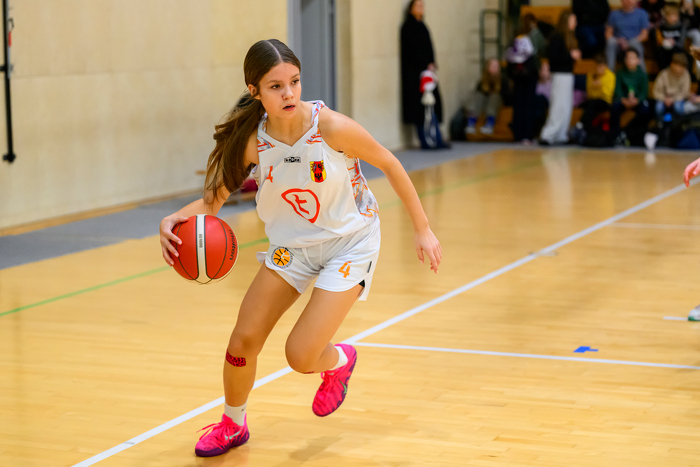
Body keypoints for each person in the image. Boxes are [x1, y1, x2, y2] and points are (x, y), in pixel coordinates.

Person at [159, 39, 442, 457]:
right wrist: (175, 219)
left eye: (294, 82)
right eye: (276, 86)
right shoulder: (253, 142)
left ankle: (340, 361)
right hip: (291, 248)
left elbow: (389, 162)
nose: (289, 93)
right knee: (242, 342)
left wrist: (423, 228)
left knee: (300, 355)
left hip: (349, 244)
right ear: (254, 91)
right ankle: (233, 425)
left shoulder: (331, 127)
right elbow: (212, 203)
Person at [400, 0, 447, 149]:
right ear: (411, 9)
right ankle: (426, 141)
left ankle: (437, 138)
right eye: (418, 5)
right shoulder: (408, 27)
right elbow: (411, 51)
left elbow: (429, 48)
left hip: (427, 74)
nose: (421, 8)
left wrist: (432, 63)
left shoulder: (423, 26)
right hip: (416, 76)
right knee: (421, 109)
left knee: (432, 105)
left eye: (422, 5)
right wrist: (425, 64)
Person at [540, 10, 581, 145]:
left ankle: (561, 135)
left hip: (567, 74)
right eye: (573, 20)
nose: (575, 23)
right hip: (559, 75)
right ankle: (547, 134)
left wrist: (573, 57)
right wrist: (570, 56)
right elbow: (553, 58)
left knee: (566, 106)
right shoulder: (557, 36)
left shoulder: (569, 37)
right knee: (558, 105)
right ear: (566, 21)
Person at [611, 48, 651, 142]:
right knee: (614, 107)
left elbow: (644, 93)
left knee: (645, 110)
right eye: (628, 58)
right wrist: (623, 100)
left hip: (636, 101)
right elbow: (617, 90)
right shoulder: (620, 72)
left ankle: (631, 133)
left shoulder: (642, 74)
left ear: (638, 60)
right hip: (623, 100)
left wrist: (637, 100)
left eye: (632, 58)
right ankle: (615, 135)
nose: (630, 60)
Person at [506, 34, 539, 144]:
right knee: (518, 109)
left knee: (529, 109)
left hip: (529, 87)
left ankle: (527, 135)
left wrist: (524, 73)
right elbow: (510, 71)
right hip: (518, 87)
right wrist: (518, 73)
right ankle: (518, 135)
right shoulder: (512, 54)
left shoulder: (531, 56)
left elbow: (533, 71)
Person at [606, 0, 650, 71]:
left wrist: (630, 42)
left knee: (636, 44)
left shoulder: (642, 13)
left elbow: (644, 35)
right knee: (610, 42)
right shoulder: (614, 14)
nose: (629, 1)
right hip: (618, 46)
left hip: (633, 45)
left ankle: (642, 73)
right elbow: (608, 33)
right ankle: (610, 71)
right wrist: (618, 41)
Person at [466, 58, 506, 136]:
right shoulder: (483, 80)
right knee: (478, 95)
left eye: (497, 66)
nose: (495, 68)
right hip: (483, 103)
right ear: (488, 67)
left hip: (496, 103)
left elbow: (507, 95)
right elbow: (479, 92)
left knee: (494, 96)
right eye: (493, 66)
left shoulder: (503, 80)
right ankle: (471, 123)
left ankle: (489, 124)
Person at [580, 54, 616, 130]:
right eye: (597, 66)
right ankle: (585, 128)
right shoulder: (591, 74)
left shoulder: (610, 76)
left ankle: (581, 126)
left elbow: (607, 95)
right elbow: (589, 93)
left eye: (601, 66)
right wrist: (595, 88)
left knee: (592, 105)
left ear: (605, 66)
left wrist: (600, 86)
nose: (599, 69)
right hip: (592, 100)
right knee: (588, 104)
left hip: (605, 102)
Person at [653, 52, 691, 123]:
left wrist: (673, 99)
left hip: (678, 99)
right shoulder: (664, 73)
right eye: (678, 65)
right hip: (664, 98)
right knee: (658, 107)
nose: (679, 68)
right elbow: (656, 91)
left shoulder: (686, 75)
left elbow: (685, 92)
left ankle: (678, 124)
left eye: (682, 66)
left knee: (678, 107)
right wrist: (664, 98)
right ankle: (660, 124)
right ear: (672, 64)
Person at [656, 4, 687, 71]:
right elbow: (660, 39)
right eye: (668, 15)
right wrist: (662, 41)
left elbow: (681, 44)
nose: (670, 18)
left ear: (677, 16)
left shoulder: (681, 27)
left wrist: (674, 42)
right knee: (659, 52)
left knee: (675, 53)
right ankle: (664, 71)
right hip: (665, 48)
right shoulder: (662, 27)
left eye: (672, 15)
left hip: (677, 48)